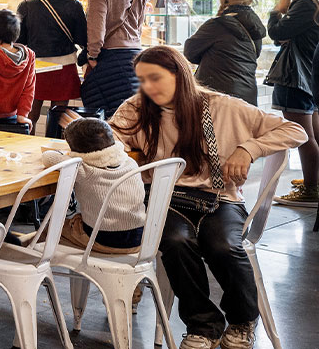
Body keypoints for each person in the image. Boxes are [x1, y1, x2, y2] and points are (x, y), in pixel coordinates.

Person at [108, 45, 305, 349]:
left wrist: (247, 149)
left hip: (221, 198)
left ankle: (241, 322)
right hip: (167, 198)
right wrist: (110, 145)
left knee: (224, 245)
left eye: (155, 78)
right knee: (175, 242)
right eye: (142, 80)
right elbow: (111, 140)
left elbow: (295, 130)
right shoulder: (137, 109)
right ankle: (203, 325)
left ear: (180, 75)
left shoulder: (223, 107)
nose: (147, 87)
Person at [41, 118, 145, 254]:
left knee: (50, 227)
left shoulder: (84, 169)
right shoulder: (130, 162)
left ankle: (35, 265)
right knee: (77, 219)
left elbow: (47, 157)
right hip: (140, 239)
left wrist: (70, 156)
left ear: (78, 152)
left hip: (103, 240)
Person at [266, 0, 319, 206]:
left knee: (302, 137)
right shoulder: (314, 3)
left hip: (295, 78)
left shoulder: (304, 5)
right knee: (312, 135)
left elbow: (277, 33)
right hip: (309, 76)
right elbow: (285, 37)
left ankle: (310, 189)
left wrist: (276, 11)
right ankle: (313, 181)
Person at [17, 0, 88, 134]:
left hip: (36, 67)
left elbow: (19, 42)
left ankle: (27, 150)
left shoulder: (27, 6)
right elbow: (82, 39)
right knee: (58, 117)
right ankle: (54, 152)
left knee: (29, 116)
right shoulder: (74, 5)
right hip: (64, 67)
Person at [81, 0, 147, 117]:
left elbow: (97, 25)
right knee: (132, 114)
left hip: (110, 55)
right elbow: (140, 24)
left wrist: (92, 55)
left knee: (107, 115)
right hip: (134, 56)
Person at [184, 0, 266, 105]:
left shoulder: (216, 24)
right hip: (248, 95)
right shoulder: (255, 25)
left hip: (218, 95)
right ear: (249, 0)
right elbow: (254, 54)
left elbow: (190, 52)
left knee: (212, 125)